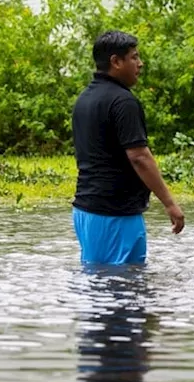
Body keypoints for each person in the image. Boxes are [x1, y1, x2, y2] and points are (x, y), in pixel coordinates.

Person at [71, 30, 184, 266]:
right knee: (119, 288)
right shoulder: (123, 101)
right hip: (113, 213)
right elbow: (140, 157)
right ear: (115, 61)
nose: (140, 64)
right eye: (134, 57)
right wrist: (170, 203)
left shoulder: (85, 99)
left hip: (89, 209)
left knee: (109, 286)